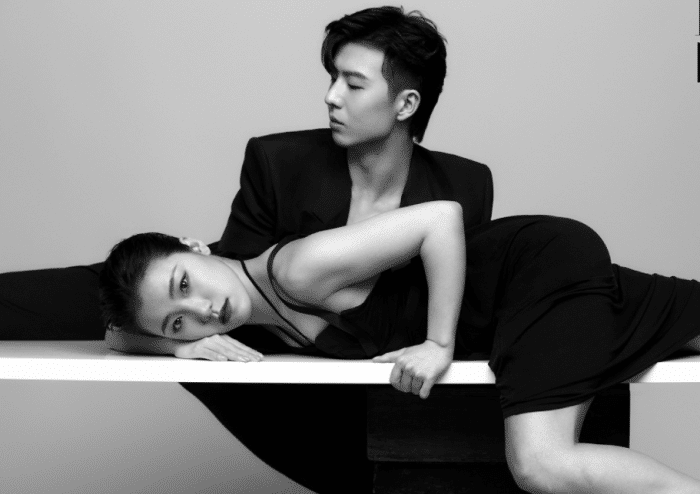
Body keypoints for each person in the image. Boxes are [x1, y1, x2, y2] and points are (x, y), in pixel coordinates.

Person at [0, 6, 494, 493]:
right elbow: (130, 327)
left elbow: (454, 296)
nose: (330, 96)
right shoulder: (279, 161)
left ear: (406, 105)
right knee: (114, 300)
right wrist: (179, 344)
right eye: (332, 78)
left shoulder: (464, 186)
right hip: (235, 292)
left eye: (353, 84)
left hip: (334, 334)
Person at [100, 201, 700, 494]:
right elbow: (116, 333)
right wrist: (174, 350)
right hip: (520, 299)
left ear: (195, 246)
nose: (203, 312)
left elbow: (441, 217)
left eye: (185, 284)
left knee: (541, 465)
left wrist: (438, 343)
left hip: (526, 276)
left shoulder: (296, 269)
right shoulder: (251, 313)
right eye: (178, 322)